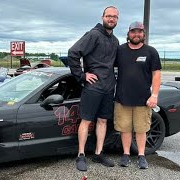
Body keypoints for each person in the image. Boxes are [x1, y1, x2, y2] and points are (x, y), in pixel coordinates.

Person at [68, 6, 119, 171]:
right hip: (93, 87)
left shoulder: (115, 41)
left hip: (108, 86)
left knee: (103, 120)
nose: (111, 19)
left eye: (114, 17)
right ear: (103, 17)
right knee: (87, 120)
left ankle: (98, 153)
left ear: (117, 20)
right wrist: (82, 76)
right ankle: (81, 155)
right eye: (108, 16)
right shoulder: (94, 34)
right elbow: (73, 52)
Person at [114, 21, 161, 169]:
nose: (136, 34)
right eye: (133, 32)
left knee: (141, 129)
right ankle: (126, 154)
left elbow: (156, 74)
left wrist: (154, 95)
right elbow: (107, 67)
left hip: (143, 100)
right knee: (125, 128)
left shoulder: (151, 51)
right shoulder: (120, 50)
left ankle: (141, 156)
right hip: (122, 98)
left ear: (143, 34)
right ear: (128, 34)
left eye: (139, 32)